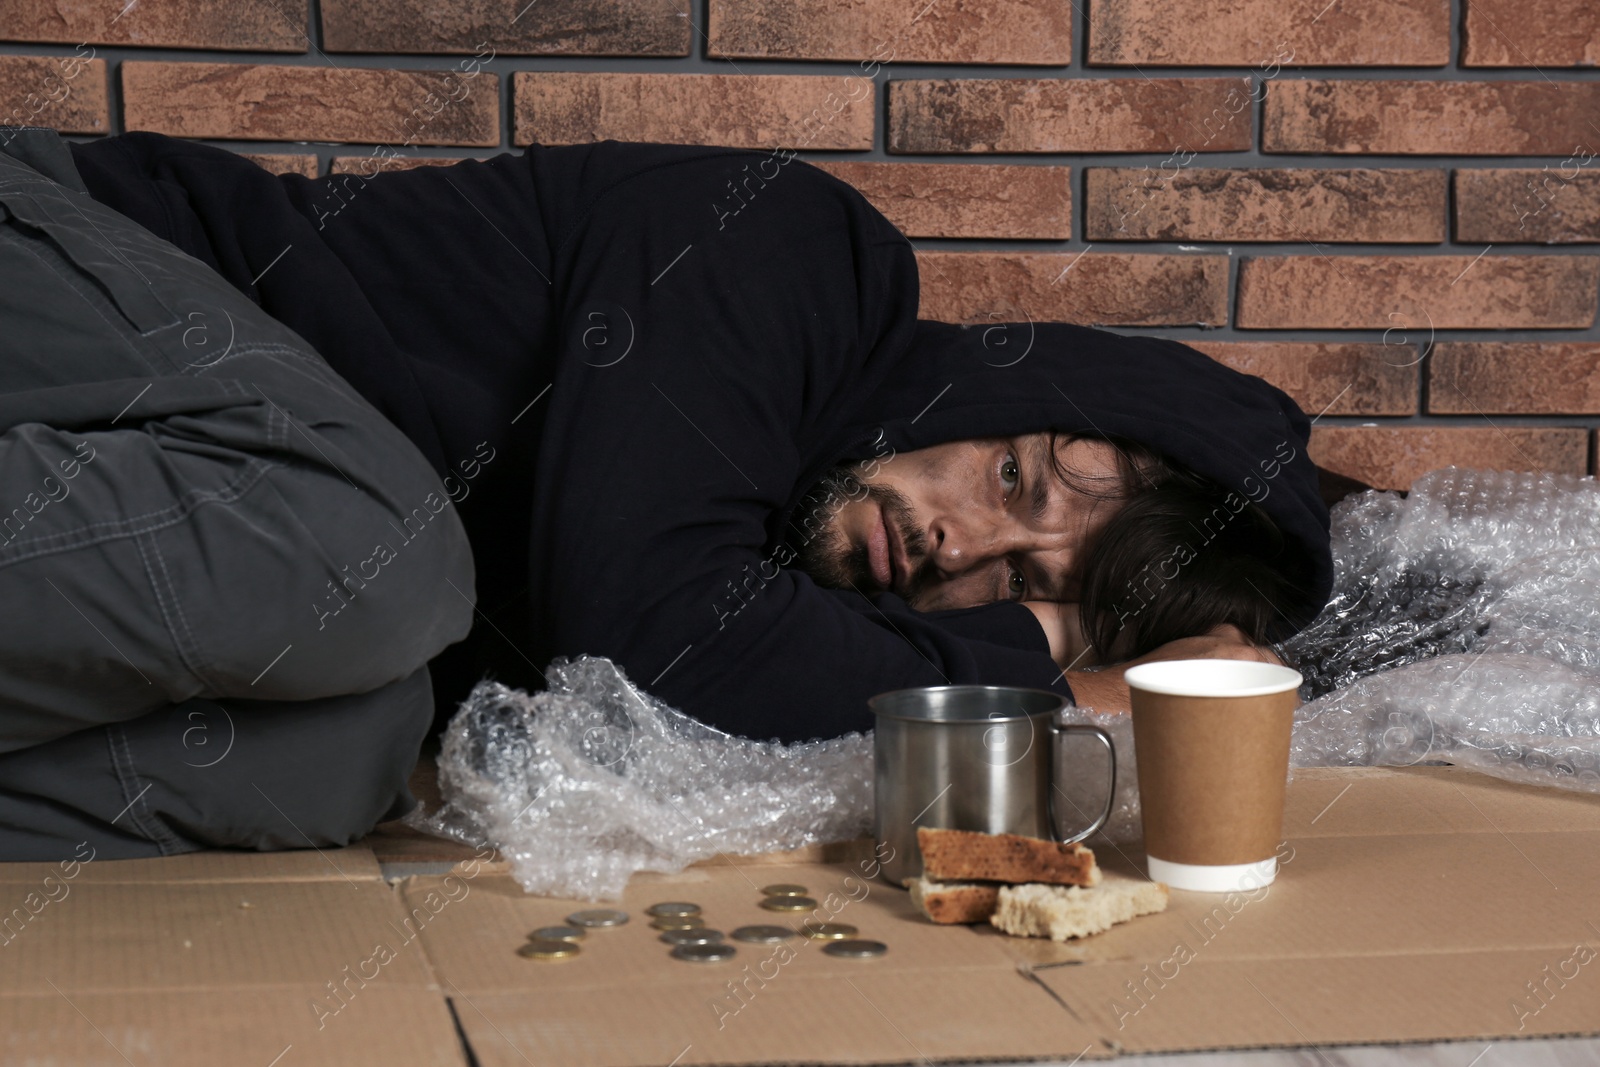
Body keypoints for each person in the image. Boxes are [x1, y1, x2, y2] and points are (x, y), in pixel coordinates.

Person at [0, 125, 1334, 859]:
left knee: (340, 765)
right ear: (1007, 384)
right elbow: (650, 634)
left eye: (1029, 592)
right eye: (1006, 475)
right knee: (381, 557)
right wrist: (1046, 675)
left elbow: (650, 695)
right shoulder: (801, 256)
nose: (954, 542)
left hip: (126, 497)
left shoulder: (797, 572)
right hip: (62, 275)